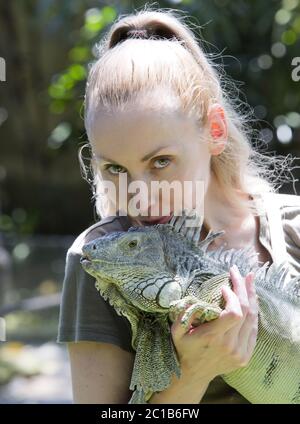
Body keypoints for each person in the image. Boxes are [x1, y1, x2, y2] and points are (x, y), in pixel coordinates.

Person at [57, 8, 300, 404]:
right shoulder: (102, 263)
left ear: (215, 131)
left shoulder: (293, 225)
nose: (141, 194)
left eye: (160, 162)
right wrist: (194, 373)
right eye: (115, 168)